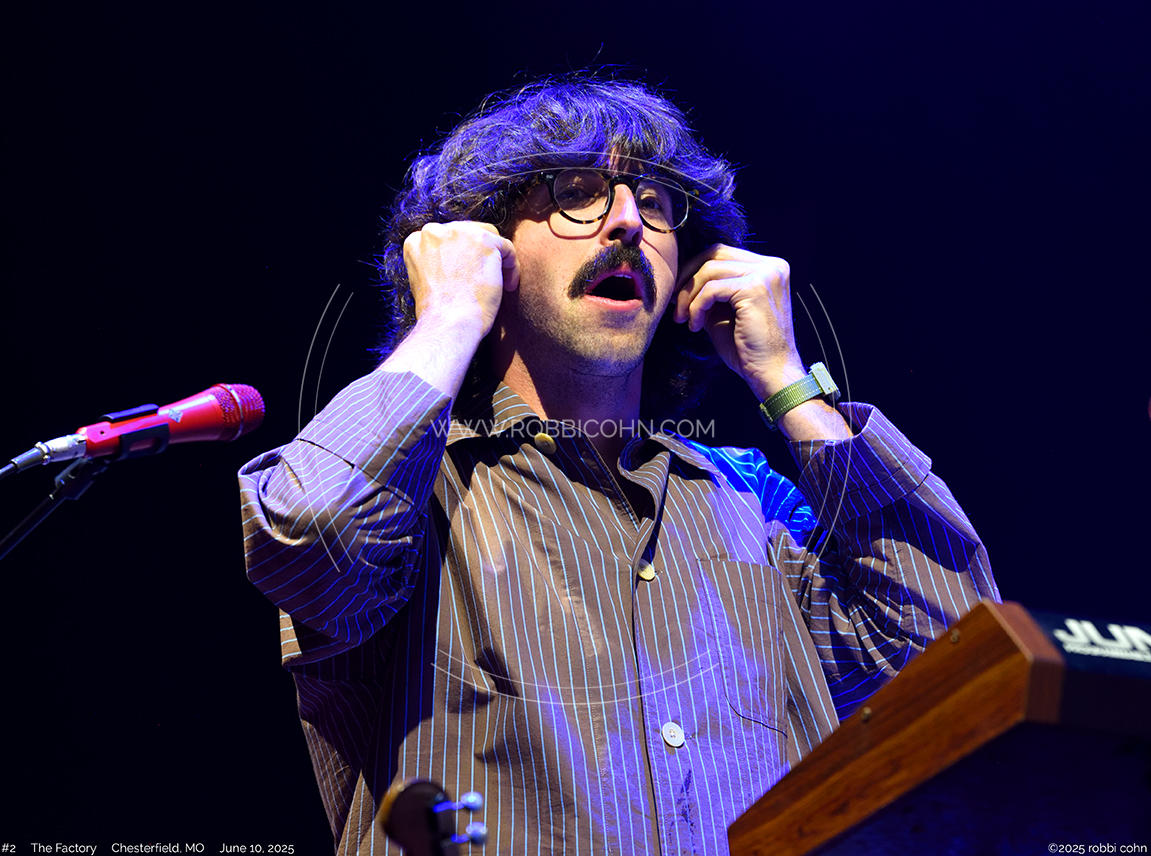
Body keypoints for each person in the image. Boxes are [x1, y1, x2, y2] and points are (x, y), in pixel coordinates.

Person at [239, 75, 999, 855]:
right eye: (577, 193)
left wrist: (785, 378)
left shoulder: (751, 501)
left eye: (657, 202)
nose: (630, 221)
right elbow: (307, 535)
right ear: (484, 247)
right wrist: (448, 316)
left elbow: (950, 664)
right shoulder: (415, 495)